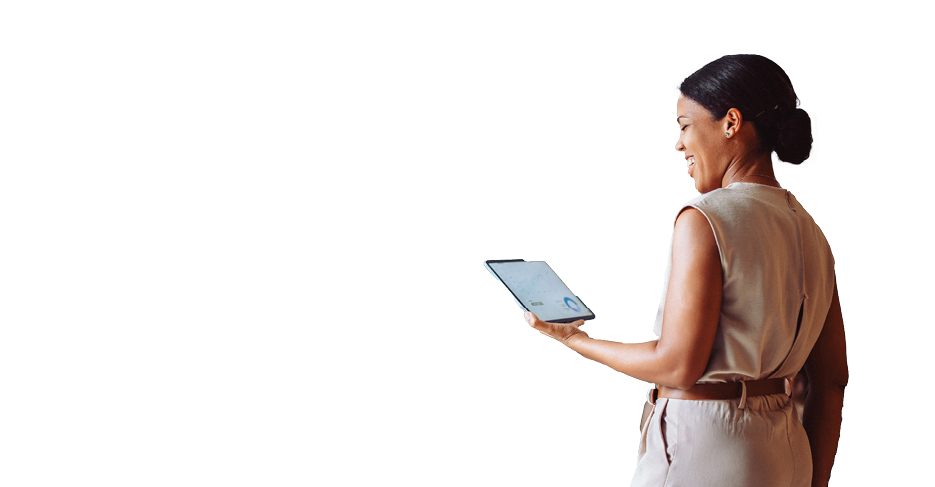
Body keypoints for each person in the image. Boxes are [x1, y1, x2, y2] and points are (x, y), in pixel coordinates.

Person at [523, 53, 847, 487]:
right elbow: (830, 381)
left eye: (684, 126)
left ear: (731, 123)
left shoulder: (705, 218)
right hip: (786, 455)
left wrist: (576, 339)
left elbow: (677, 365)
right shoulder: (811, 232)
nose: (678, 144)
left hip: (706, 451)